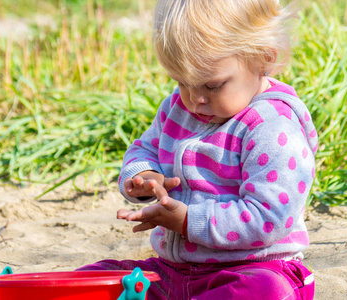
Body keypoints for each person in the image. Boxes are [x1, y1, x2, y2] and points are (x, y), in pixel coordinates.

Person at [78, 0, 318, 298]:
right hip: (173, 270)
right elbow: (143, 149)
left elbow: (269, 217)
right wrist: (145, 176)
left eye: (213, 86)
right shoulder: (177, 110)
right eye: (182, 82)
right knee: (94, 279)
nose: (194, 100)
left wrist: (189, 221)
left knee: (264, 291)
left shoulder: (273, 125)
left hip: (253, 268)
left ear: (263, 58)